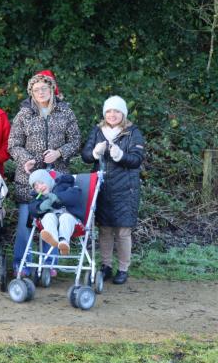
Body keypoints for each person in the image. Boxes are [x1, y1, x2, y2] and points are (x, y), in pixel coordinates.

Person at [8, 71, 80, 274]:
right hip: (29, 180)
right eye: (36, 89)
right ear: (31, 92)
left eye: (44, 88)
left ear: (52, 90)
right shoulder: (24, 114)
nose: (40, 92)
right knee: (26, 224)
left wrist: (59, 152)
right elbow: (13, 144)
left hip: (57, 179)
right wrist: (25, 159)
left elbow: (75, 141)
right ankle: (21, 264)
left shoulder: (66, 112)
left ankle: (50, 263)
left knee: (54, 220)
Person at [81, 95, 146, 285]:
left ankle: (123, 269)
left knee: (123, 231)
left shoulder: (132, 132)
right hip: (101, 188)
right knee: (105, 229)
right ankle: (106, 266)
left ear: (123, 113)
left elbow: (136, 159)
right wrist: (94, 153)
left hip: (126, 189)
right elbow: (85, 155)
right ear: (104, 113)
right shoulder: (97, 131)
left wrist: (120, 155)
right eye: (109, 111)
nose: (112, 114)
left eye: (117, 111)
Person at [27, 169, 85, 257]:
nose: (40, 187)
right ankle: (53, 237)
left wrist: (58, 198)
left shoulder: (63, 186)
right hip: (52, 222)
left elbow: (74, 196)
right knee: (48, 216)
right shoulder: (38, 198)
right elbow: (32, 209)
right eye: (36, 187)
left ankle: (64, 242)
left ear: (47, 180)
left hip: (71, 218)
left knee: (65, 217)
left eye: (41, 183)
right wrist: (40, 207)